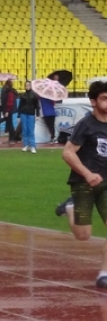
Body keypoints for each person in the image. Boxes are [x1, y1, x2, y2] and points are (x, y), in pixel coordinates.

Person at [54, 81, 107, 288]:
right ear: (93, 101)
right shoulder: (86, 125)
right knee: (83, 235)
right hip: (84, 183)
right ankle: (70, 207)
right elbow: (67, 153)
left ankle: (104, 273)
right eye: (104, 98)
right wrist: (87, 173)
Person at [17, 81, 40, 153]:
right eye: (26, 85)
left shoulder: (34, 95)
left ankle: (32, 146)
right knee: (24, 130)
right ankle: (26, 145)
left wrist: (38, 115)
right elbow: (20, 106)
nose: (27, 86)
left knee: (31, 130)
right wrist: (18, 116)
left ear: (31, 86)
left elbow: (37, 106)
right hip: (23, 114)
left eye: (28, 85)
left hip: (31, 114)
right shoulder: (23, 95)